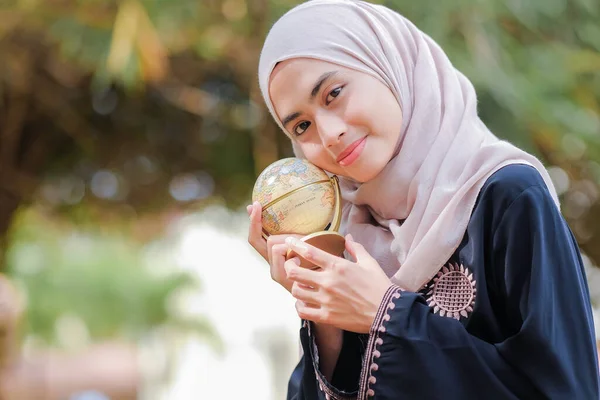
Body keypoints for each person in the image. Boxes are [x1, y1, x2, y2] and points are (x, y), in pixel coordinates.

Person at [247, 0, 600, 398]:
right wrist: (325, 319)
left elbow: (568, 390)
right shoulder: (348, 238)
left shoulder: (507, 197)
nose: (328, 134)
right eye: (302, 125)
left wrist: (387, 316)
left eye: (334, 93)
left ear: (388, 64)